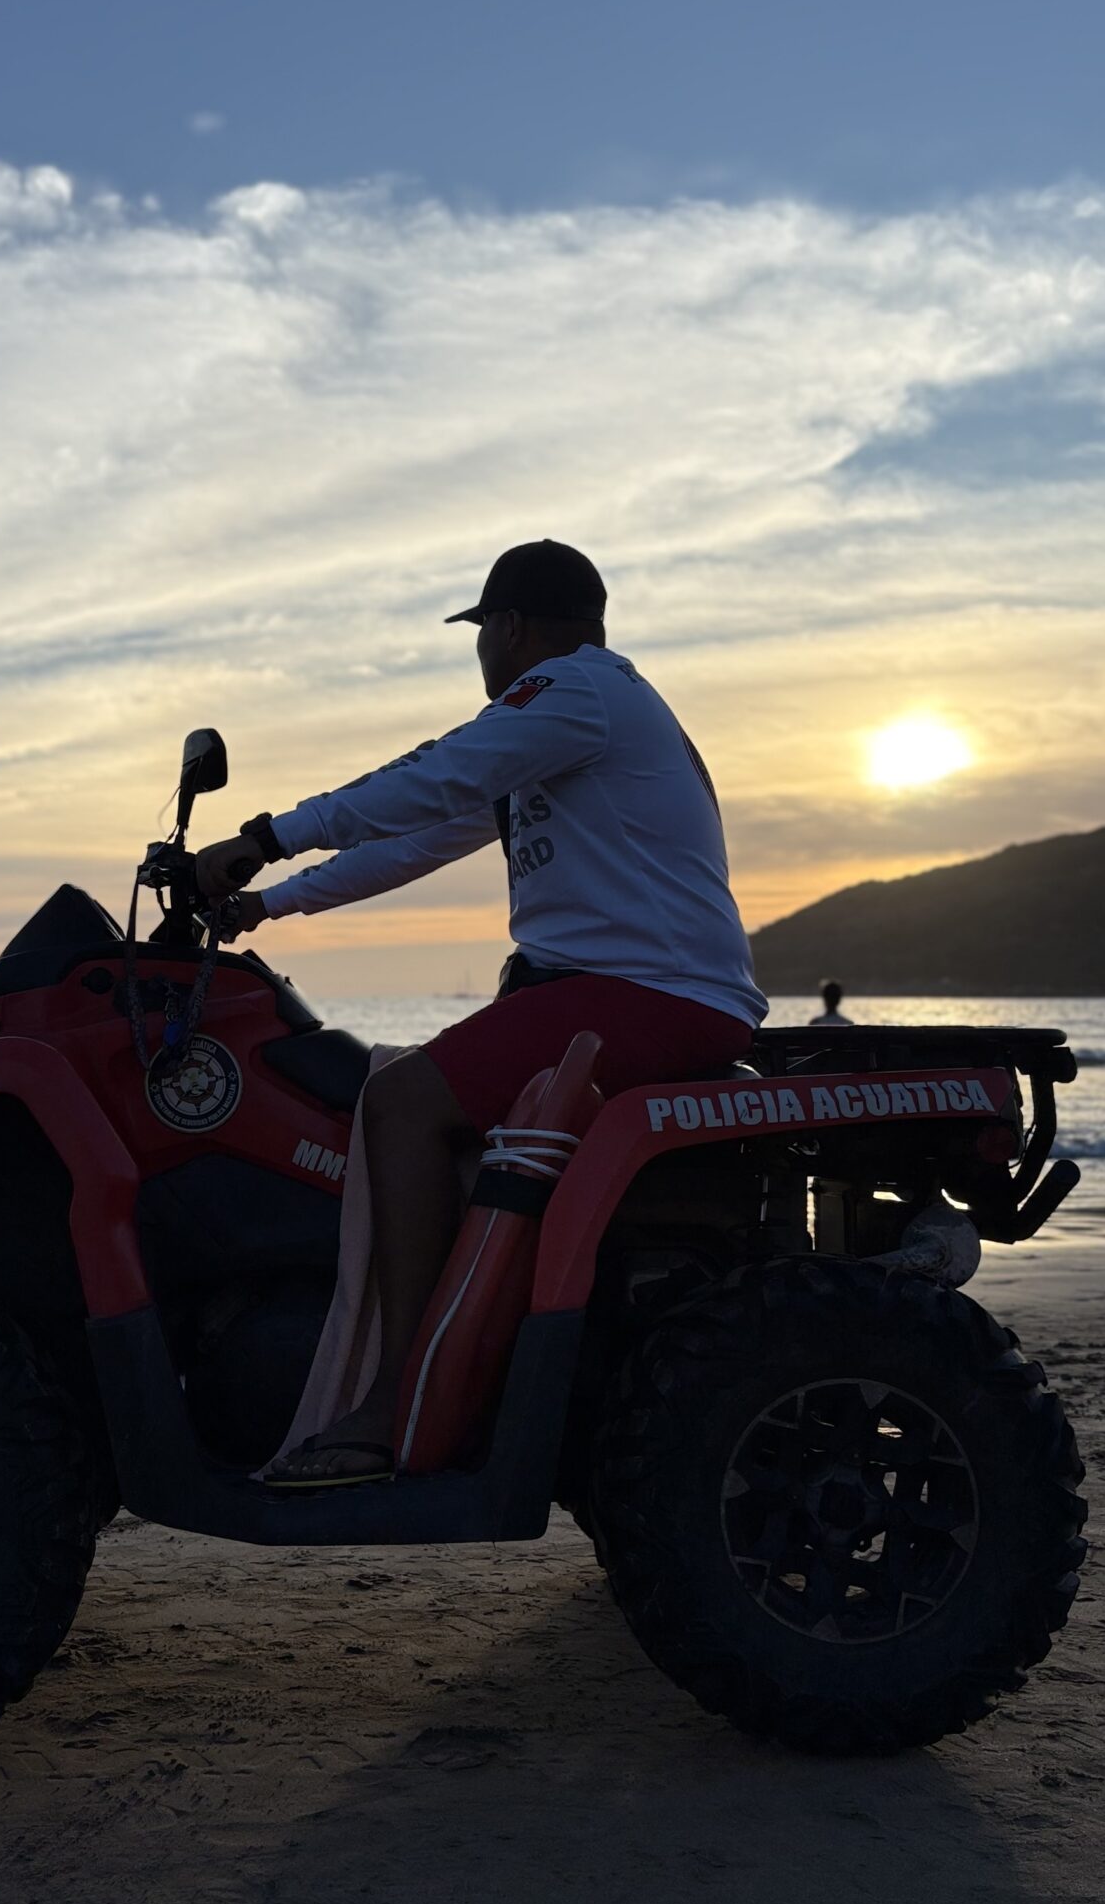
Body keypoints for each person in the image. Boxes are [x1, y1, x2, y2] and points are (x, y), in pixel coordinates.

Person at [193, 537, 766, 1487]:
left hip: (648, 993)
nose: (481, 654)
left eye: (480, 632)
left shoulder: (574, 691)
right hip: (627, 989)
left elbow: (435, 773)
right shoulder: (572, 723)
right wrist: (267, 904)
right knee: (414, 1102)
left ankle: (397, 1403)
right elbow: (419, 833)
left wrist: (266, 836)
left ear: (507, 627)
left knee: (399, 1104)